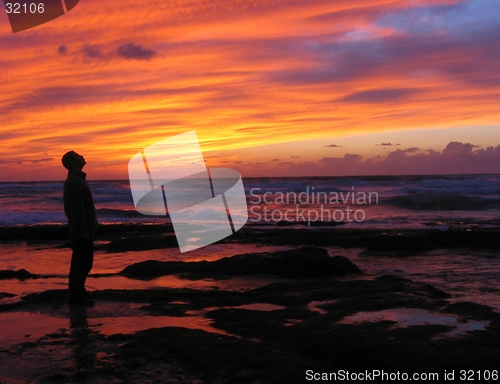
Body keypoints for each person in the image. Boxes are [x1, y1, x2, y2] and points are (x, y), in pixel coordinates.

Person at [62, 151, 99, 305]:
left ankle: (79, 291)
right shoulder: (75, 182)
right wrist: (82, 230)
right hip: (81, 231)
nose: (82, 155)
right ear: (72, 162)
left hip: (85, 229)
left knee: (84, 262)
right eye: (78, 155)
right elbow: (76, 209)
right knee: (81, 263)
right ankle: (76, 296)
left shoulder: (78, 180)